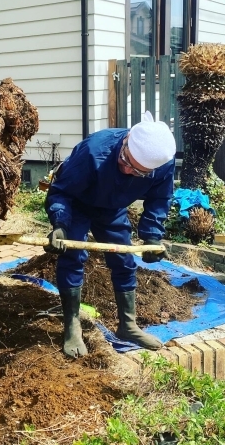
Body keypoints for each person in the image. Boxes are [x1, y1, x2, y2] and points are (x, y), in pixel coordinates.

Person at [44, 114, 176, 358]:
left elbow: (159, 200)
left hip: (112, 208)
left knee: (124, 262)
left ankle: (128, 325)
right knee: (73, 257)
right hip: (77, 203)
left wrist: (152, 238)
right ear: (125, 141)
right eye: (125, 160)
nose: (127, 169)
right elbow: (61, 191)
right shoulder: (94, 150)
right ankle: (72, 326)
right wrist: (60, 224)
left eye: (137, 171)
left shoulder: (163, 163)